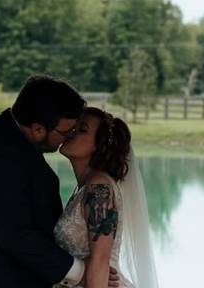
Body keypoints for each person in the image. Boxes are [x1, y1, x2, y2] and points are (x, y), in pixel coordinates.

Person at [0, 76, 120, 288]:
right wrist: (80, 272)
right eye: (66, 132)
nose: (68, 137)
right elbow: (16, 235)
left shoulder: (13, 142)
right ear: (38, 129)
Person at [55, 108, 160, 288]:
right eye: (74, 126)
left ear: (98, 145)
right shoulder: (84, 187)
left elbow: (100, 260)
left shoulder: (99, 188)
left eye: (82, 129)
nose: (71, 131)